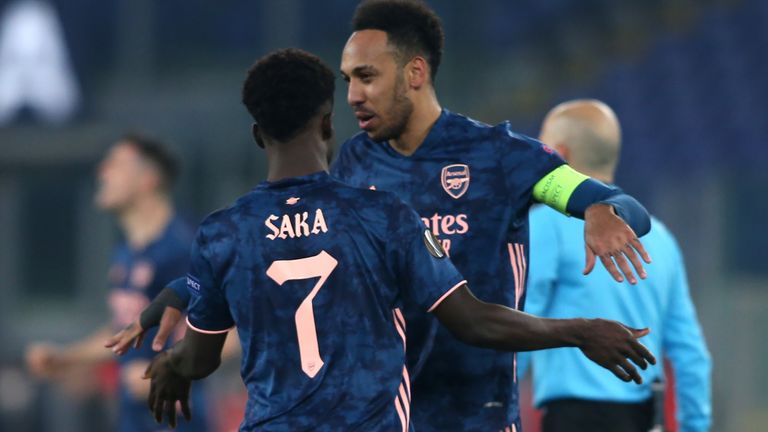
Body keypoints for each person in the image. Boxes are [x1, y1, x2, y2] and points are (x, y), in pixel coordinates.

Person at [112, 1, 658, 430]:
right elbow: (290, 249)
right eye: (347, 79)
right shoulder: (351, 168)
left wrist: (604, 209)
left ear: (415, 72)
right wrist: (185, 288)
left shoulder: (503, 156)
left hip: (476, 415)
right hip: (383, 413)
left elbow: (619, 204)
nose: (352, 95)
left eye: (367, 77)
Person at [517, 99, 712, 432]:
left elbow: (518, 324)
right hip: (644, 419)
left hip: (574, 420)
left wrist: (485, 407)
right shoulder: (660, 237)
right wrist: (696, 425)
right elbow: (690, 352)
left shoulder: (546, 224)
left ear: (561, 156)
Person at [25, 134, 210, 432]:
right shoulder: (126, 252)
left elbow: (231, 331)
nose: (102, 172)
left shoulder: (186, 246)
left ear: (148, 179)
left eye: (116, 164)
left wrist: (173, 369)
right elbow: (125, 328)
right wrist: (68, 357)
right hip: (133, 419)